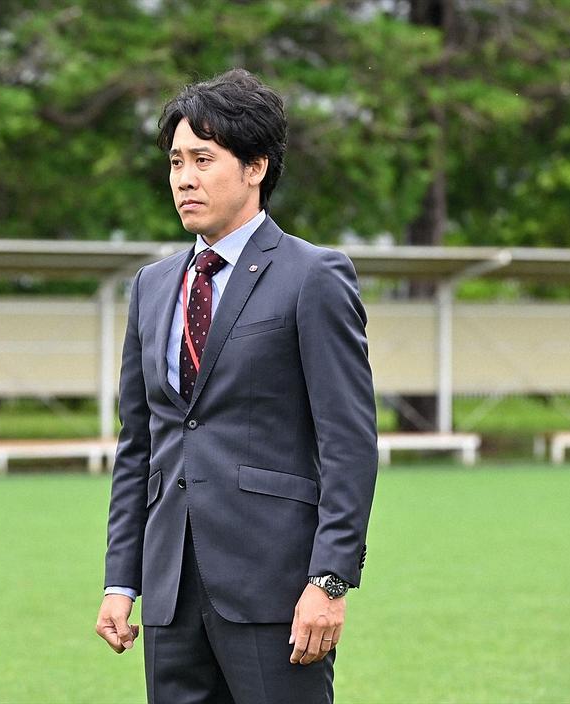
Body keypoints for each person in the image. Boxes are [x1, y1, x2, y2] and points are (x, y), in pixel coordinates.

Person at [95, 68, 378, 704]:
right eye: (175, 162)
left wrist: (330, 579)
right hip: (169, 592)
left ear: (256, 167)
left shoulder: (313, 276)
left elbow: (348, 441)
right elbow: (139, 445)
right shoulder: (152, 287)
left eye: (203, 159)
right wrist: (121, 580)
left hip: (276, 588)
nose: (183, 178)